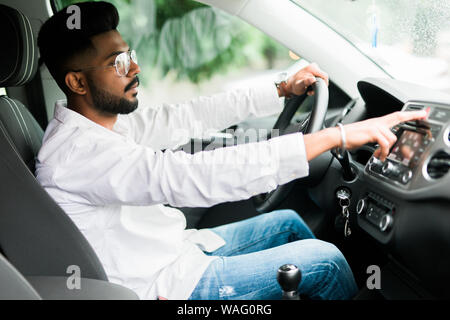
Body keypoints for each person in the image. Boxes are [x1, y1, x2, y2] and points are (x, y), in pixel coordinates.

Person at [35, 1, 427, 300]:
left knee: (289, 220)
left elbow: (184, 116)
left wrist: (279, 89)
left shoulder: (101, 127)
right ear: (78, 83)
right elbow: (191, 177)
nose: (134, 68)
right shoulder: (76, 155)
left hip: (176, 253)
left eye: (131, 55)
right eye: (117, 63)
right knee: (325, 261)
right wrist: (334, 137)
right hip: (164, 286)